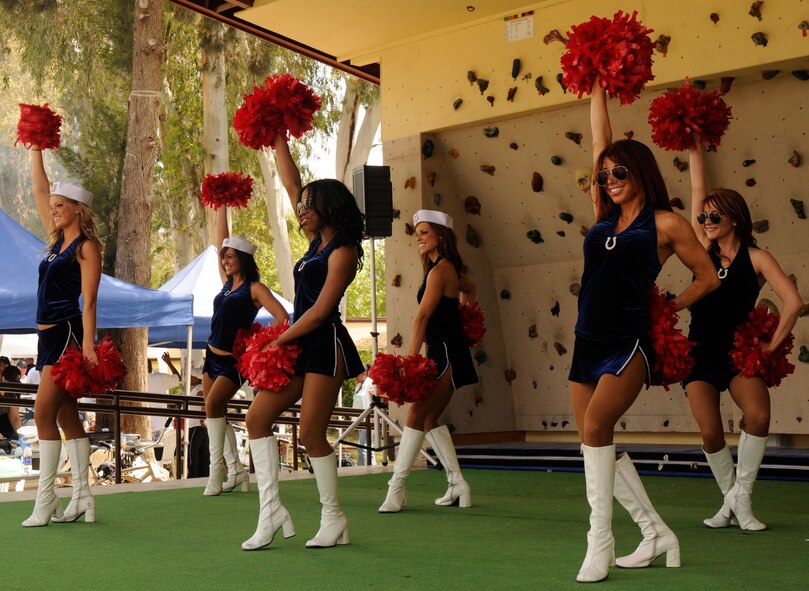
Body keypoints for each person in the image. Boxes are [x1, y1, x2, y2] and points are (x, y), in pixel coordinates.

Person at [569, 79, 720, 582]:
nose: (609, 178)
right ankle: (655, 532)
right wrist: (596, 87)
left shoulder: (667, 223)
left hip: (628, 343)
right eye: (605, 173)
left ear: (641, 172)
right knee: (593, 441)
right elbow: (599, 142)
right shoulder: (602, 218)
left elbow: (708, 277)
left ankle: (600, 542)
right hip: (585, 342)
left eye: (619, 171)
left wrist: (670, 306)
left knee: (595, 430)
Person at [241, 133, 365, 551]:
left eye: (311, 205)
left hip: (324, 344)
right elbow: (292, 185)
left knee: (312, 433)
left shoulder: (343, 252)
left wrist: (279, 341)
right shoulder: (315, 242)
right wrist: (278, 139)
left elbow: (319, 311)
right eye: (302, 204)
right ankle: (271, 511)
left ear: (330, 208)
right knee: (256, 419)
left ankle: (334, 518)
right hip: (297, 343)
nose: (302, 209)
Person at [684, 142, 802, 531]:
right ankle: (729, 503)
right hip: (700, 352)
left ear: (734, 218)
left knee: (759, 415)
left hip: (739, 355)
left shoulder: (757, 258)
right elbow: (697, 189)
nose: (706, 220)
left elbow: (793, 302)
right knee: (710, 430)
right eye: (704, 216)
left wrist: (771, 344)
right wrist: (694, 142)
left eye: (715, 215)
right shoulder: (701, 250)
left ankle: (742, 502)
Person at [378, 210, 478, 513]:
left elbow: (422, 316)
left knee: (416, 414)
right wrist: (465, 316)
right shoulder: (442, 269)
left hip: (444, 352)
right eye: (417, 233)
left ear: (440, 236)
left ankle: (396, 489)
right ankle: (457, 483)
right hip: (445, 350)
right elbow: (470, 288)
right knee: (430, 418)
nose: (418, 238)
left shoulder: (440, 271)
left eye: (424, 232)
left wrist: (409, 360)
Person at [24, 149, 102, 527]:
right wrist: (36, 148)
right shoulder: (55, 244)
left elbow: (89, 302)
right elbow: (39, 189)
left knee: (42, 414)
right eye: (52, 205)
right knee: (68, 417)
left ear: (77, 209)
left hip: (67, 336)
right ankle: (84, 498)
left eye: (60, 205)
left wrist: (87, 346)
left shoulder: (86, 247)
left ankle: (46, 501)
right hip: (46, 338)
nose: (53, 209)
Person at [202, 203, 290, 497]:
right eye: (224, 257)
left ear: (241, 258)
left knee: (214, 406)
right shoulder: (226, 284)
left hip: (233, 362)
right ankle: (236, 471)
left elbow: (283, 318)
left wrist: (262, 344)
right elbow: (219, 242)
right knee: (215, 411)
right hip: (210, 356)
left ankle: (218, 471)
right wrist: (221, 205)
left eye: (230, 256)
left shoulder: (254, 288)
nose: (225, 260)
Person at [351, 366, 376, 466]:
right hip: (360, 420)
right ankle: (362, 467)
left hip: (369, 419)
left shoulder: (370, 383)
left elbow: (374, 399)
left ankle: (370, 468)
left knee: (363, 446)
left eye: (356, 374)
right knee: (364, 446)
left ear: (364, 374)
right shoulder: (358, 386)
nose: (355, 377)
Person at [0, 366, 23, 451]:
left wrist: (22, 437)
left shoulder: (11, 394)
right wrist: (3, 441)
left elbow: (15, 419)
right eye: (10, 382)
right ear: (2, 378)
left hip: (7, 436)